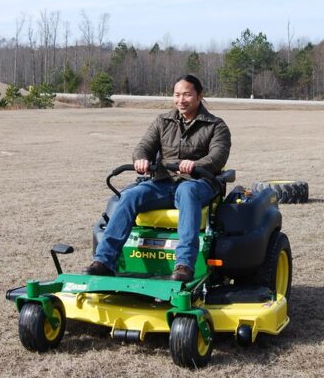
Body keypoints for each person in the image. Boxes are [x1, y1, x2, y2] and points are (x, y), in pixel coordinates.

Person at [87, 74, 231, 282]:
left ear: (200, 95)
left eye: (187, 95)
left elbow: (218, 155)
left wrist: (196, 165)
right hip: (164, 182)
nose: (181, 100)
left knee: (187, 191)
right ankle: (103, 261)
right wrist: (141, 159)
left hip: (198, 183)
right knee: (130, 196)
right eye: (177, 95)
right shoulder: (163, 121)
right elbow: (144, 146)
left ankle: (184, 265)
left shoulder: (216, 126)